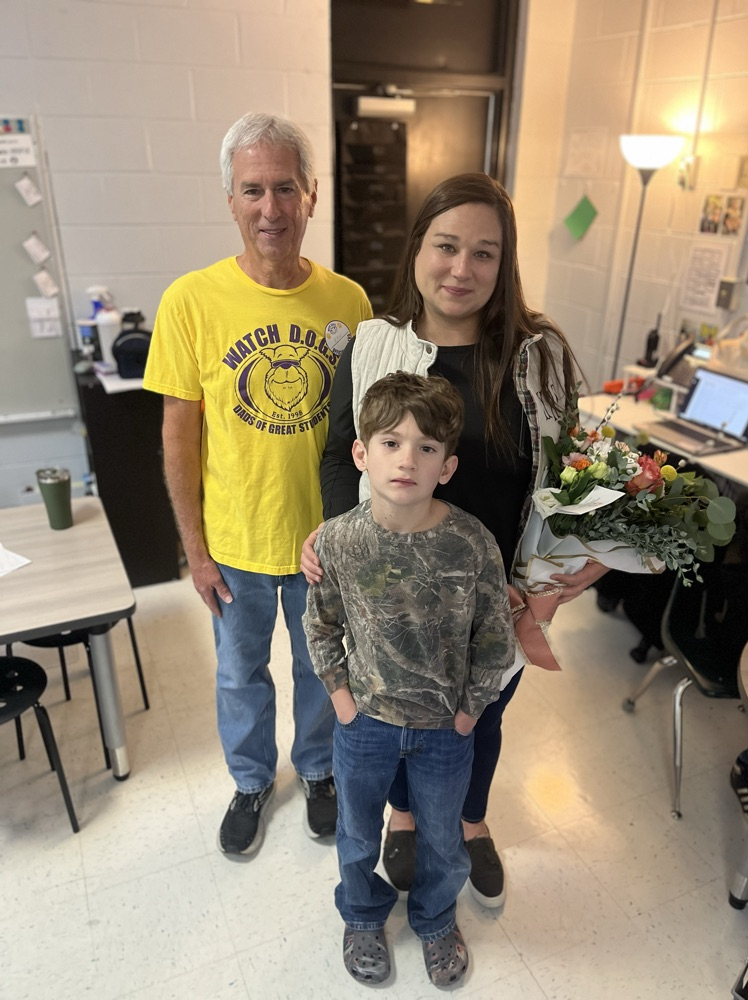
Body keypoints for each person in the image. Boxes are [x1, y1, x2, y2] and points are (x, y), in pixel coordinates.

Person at [301, 172, 606, 907]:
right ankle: (404, 814)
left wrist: (550, 583)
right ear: (418, 251)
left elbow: (572, 478)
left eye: (484, 254)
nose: (461, 270)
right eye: (446, 247)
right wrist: (341, 544)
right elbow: (340, 453)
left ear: (505, 267)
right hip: (391, 596)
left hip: (497, 598)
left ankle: (470, 821)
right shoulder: (373, 346)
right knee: (403, 709)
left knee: (482, 714)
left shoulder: (540, 356)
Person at [143, 112, 372, 858]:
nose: (269, 209)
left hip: (323, 542)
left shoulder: (349, 305)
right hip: (235, 542)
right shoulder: (190, 300)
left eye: (284, 189)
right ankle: (249, 780)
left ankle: (315, 771)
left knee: (318, 667)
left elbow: (367, 431)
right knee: (241, 674)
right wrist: (194, 550)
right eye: (252, 191)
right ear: (230, 200)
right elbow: (179, 433)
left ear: (312, 195)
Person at [303, 372, 515, 987]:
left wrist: (470, 713)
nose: (408, 460)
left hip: (446, 729)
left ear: (446, 467)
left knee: (445, 840)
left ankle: (434, 918)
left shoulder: (472, 542)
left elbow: (495, 637)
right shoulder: (340, 539)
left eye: (426, 448)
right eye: (391, 443)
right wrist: (343, 705)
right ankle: (363, 914)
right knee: (356, 831)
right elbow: (320, 628)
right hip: (364, 724)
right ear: (361, 455)